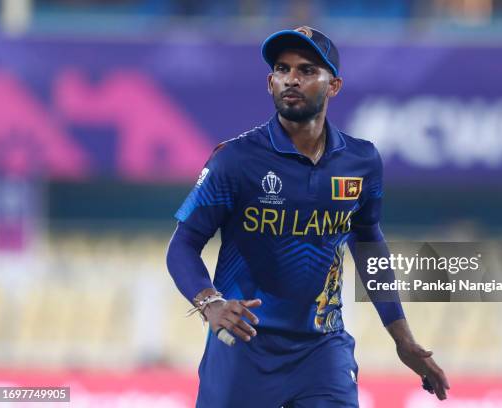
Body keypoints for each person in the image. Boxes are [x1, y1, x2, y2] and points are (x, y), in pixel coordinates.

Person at [166, 26, 450, 407]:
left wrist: (403, 339)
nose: (291, 79)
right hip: (244, 348)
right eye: (282, 69)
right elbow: (183, 244)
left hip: (322, 350)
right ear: (270, 83)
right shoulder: (235, 161)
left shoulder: (361, 161)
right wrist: (210, 302)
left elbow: (368, 245)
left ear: (333, 85)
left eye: (307, 70)